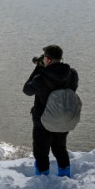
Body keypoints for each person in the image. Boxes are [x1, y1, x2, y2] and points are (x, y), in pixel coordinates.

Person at [23, 44, 78, 177]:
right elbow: (72, 89)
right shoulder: (72, 74)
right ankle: (65, 175)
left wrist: (38, 68)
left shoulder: (41, 78)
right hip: (63, 119)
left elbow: (27, 90)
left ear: (47, 59)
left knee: (41, 152)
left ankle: (43, 178)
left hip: (42, 121)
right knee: (60, 149)